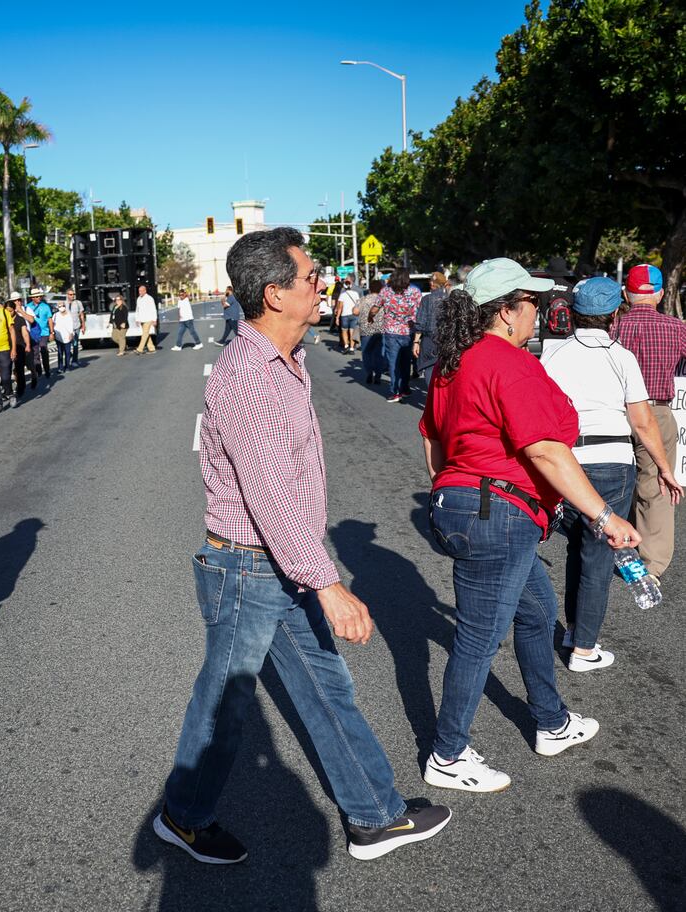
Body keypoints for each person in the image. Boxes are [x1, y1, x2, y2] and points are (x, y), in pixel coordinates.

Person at [156, 227, 452, 865]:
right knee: (228, 702)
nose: (324, 286)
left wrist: (312, 573)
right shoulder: (249, 377)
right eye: (312, 278)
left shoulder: (285, 360)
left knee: (326, 689)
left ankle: (375, 817)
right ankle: (183, 816)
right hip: (249, 568)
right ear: (274, 294)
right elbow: (272, 497)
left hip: (276, 565)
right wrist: (330, 584)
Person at [419, 258, 639, 794]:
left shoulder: (457, 361)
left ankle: (552, 721)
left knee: (538, 614)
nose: (539, 313)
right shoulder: (505, 362)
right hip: (496, 508)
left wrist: (450, 487)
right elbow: (545, 449)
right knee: (478, 637)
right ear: (506, 310)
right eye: (532, 303)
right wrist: (604, 515)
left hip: (472, 503)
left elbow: (432, 435)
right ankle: (447, 754)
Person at [541, 276, 681, 671]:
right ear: (614, 315)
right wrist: (666, 469)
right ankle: (584, 648)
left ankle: (573, 631)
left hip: (566, 461)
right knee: (599, 553)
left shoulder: (553, 354)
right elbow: (642, 421)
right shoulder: (620, 356)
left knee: (578, 548)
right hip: (612, 461)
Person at [611, 264, 686, 584]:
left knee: (616, 479)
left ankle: (616, 542)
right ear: (659, 293)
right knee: (656, 485)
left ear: (627, 293)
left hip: (615, 411)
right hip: (657, 412)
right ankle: (651, 565)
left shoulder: (614, 327)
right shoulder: (677, 328)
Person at [370, 269, 421, 403]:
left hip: (391, 332)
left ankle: (395, 391)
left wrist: (370, 316)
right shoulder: (414, 291)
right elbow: (420, 311)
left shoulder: (386, 291)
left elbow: (376, 307)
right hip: (409, 332)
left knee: (393, 363)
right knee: (405, 362)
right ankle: (404, 388)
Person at [412, 272, 449, 386]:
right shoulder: (450, 299)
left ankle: (431, 397)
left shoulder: (427, 299)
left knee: (429, 367)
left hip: (430, 339)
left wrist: (416, 342)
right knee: (445, 369)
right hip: (446, 339)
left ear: (432, 284)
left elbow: (421, 322)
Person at [355, 281, 386, 384]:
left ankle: (369, 372)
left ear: (370, 289)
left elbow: (355, 312)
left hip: (366, 329)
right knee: (378, 353)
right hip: (380, 330)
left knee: (367, 352)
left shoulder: (363, 299)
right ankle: (378, 375)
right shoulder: (383, 300)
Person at [25, 288, 54, 381]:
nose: (39, 298)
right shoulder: (27, 307)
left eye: (39, 296)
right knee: (35, 353)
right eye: (36, 296)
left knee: (43, 349)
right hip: (33, 333)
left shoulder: (45, 306)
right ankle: (38, 370)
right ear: (32, 298)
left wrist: (51, 332)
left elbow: (50, 319)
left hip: (44, 332)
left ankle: (47, 369)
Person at [6, 292, 29, 400]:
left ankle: (21, 388)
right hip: (6, 348)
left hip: (19, 346)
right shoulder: (3, 321)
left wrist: (27, 344)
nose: (8, 313)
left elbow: (25, 333)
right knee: (7, 370)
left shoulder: (20, 320)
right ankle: (7, 390)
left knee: (19, 369)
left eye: (10, 311)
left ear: (14, 310)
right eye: (6, 311)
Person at [335, 277, 361, 353]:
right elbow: (358, 304)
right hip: (354, 315)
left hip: (344, 315)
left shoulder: (342, 295)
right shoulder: (356, 294)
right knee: (352, 331)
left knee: (344, 330)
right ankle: (352, 348)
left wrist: (337, 318)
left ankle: (346, 345)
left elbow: (340, 307)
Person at [52, 302, 77, 373]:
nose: (61, 307)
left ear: (65, 306)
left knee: (67, 352)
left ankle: (67, 367)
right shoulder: (55, 315)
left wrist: (71, 334)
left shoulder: (69, 315)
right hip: (58, 337)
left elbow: (71, 325)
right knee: (60, 352)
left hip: (67, 336)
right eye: (59, 306)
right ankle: (60, 367)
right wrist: (53, 333)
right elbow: (52, 324)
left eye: (62, 306)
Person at [135, 285, 158, 354]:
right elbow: (137, 310)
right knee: (146, 334)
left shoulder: (149, 298)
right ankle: (152, 348)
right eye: (139, 291)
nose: (140, 292)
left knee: (144, 334)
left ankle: (140, 349)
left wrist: (154, 319)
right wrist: (137, 319)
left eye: (141, 291)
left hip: (148, 319)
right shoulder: (138, 299)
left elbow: (153, 309)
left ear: (145, 291)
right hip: (142, 319)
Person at [66, 289, 85, 366]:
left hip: (76, 326)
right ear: (67, 295)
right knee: (66, 344)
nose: (72, 296)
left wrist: (83, 325)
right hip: (67, 328)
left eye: (73, 294)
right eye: (70, 294)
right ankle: (70, 355)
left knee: (75, 344)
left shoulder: (78, 303)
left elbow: (81, 314)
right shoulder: (64, 304)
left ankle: (74, 360)